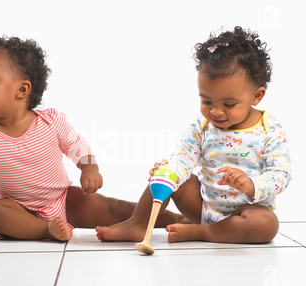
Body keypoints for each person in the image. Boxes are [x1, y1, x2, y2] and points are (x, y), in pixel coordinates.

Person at [0, 36, 183, 244]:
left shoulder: (50, 120)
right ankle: (46, 229)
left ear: (22, 89)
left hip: (64, 199)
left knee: (114, 208)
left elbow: (76, 145)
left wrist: (89, 169)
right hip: (18, 212)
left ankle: (175, 219)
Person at [96, 26, 291, 244]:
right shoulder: (202, 126)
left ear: (257, 96)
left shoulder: (269, 129)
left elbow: (281, 174)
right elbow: (184, 157)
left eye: (229, 104)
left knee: (266, 225)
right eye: (206, 101)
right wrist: (170, 170)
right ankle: (139, 223)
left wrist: (252, 184)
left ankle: (202, 232)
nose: (215, 111)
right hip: (202, 207)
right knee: (169, 173)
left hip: (246, 213)